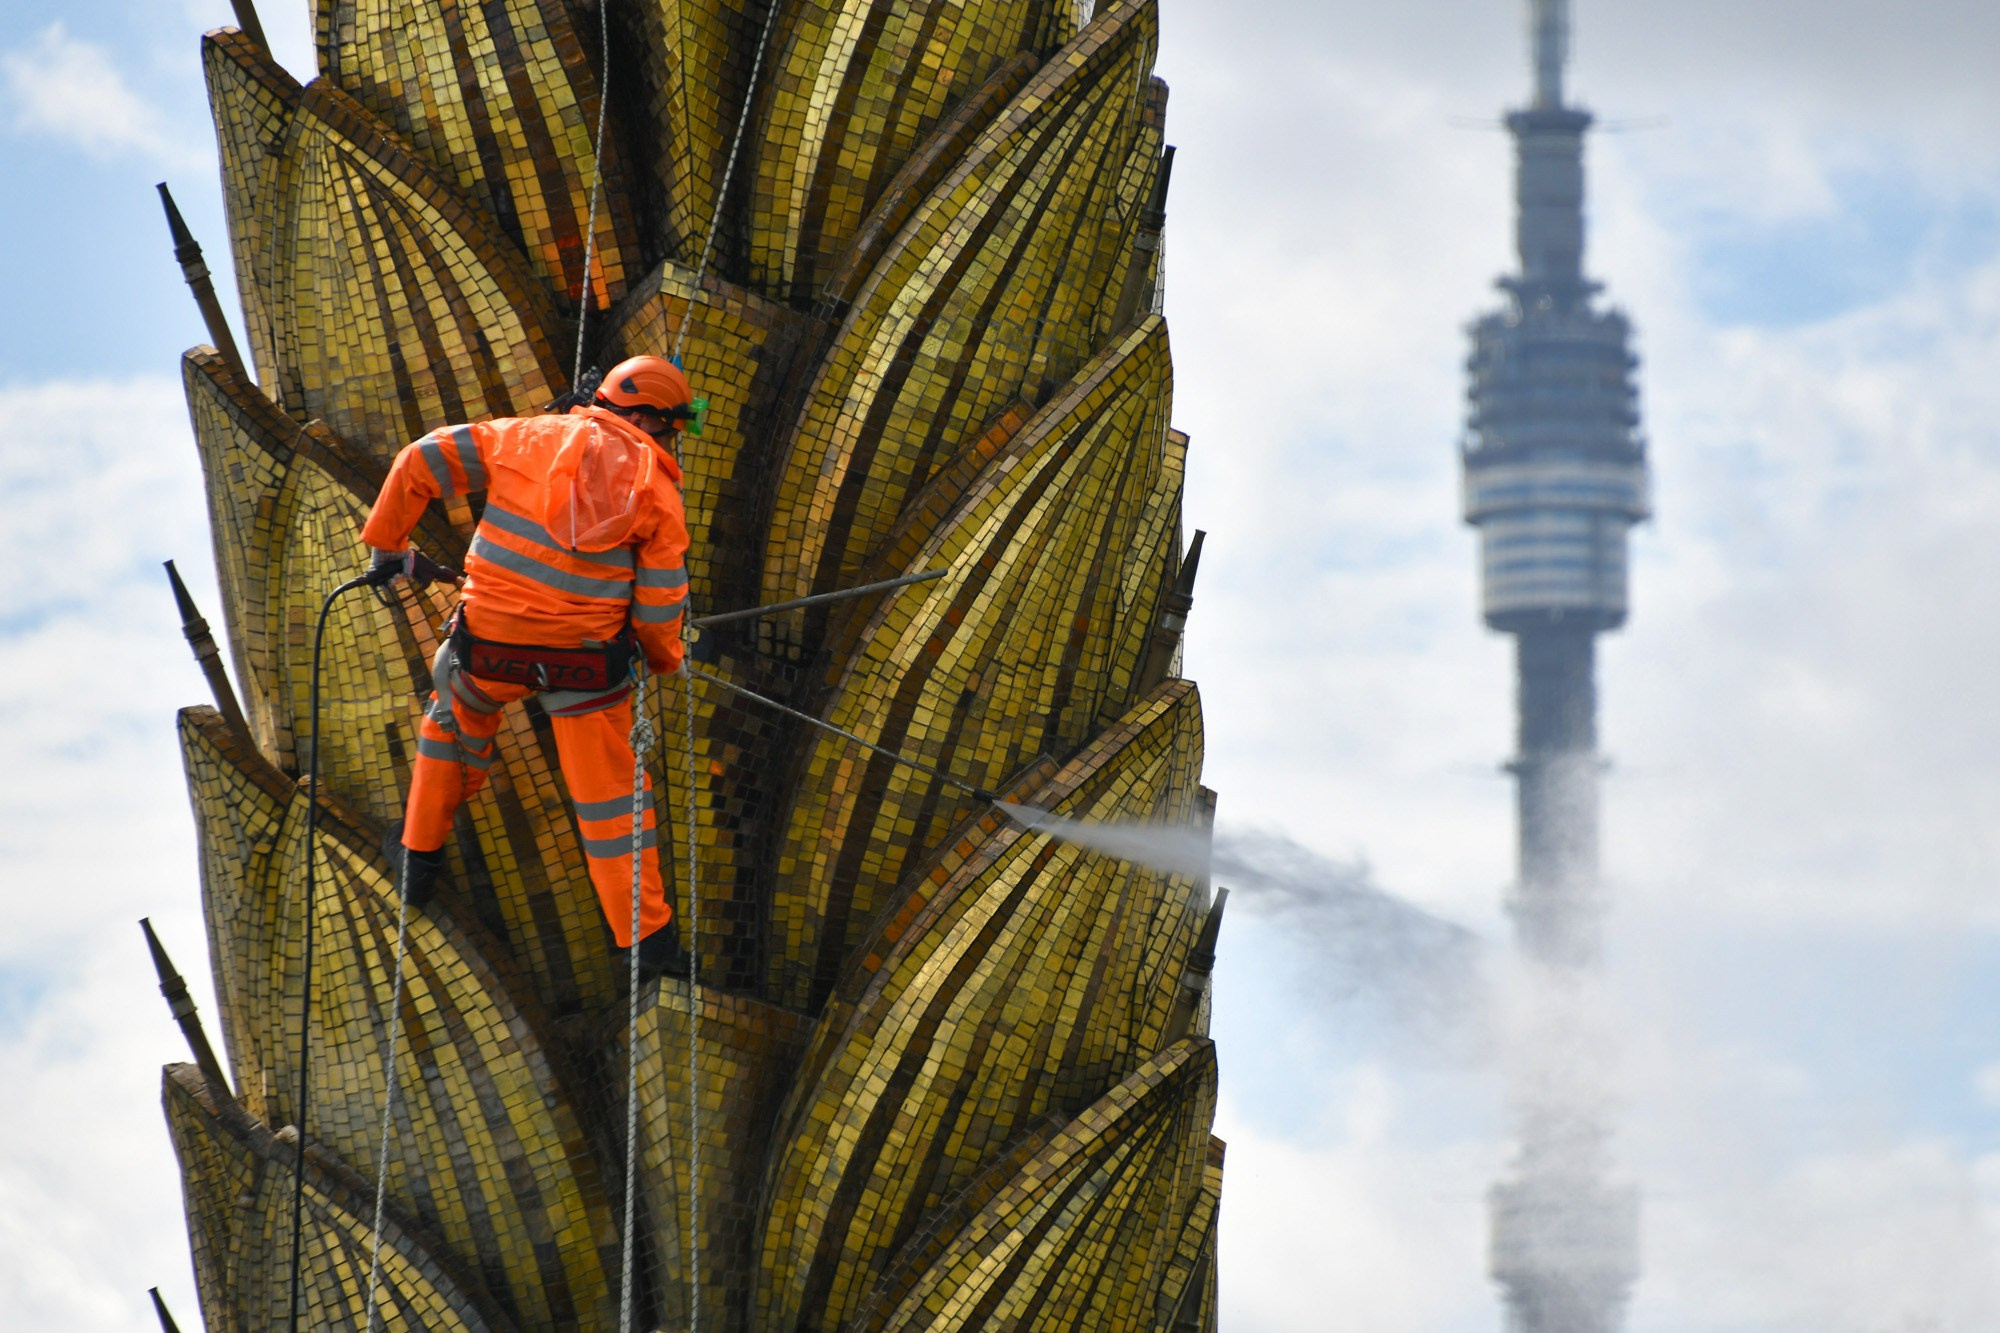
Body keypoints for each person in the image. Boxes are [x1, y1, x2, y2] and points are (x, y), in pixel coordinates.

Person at [360, 355, 695, 975]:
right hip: (584, 670)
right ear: (647, 416)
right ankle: (647, 944)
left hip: (488, 647)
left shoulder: (525, 437)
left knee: (451, 726)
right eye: (667, 427)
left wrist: (388, 546)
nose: (666, 440)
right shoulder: (658, 492)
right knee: (611, 802)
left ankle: (416, 859)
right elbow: (659, 604)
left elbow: (419, 460)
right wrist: (661, 658)